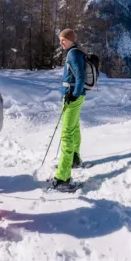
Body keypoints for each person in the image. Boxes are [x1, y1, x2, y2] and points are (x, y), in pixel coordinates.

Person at [52, 28, 86, 192]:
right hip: (74, 96)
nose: (61, 42)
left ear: (71, 40)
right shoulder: (74, 52)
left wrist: (74, 94)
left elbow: (80, 77)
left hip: (73, 97)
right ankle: (74, 158)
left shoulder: (73, 54)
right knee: (74, 127)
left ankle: (63, 178)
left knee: (66, 133)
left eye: (63, 40)